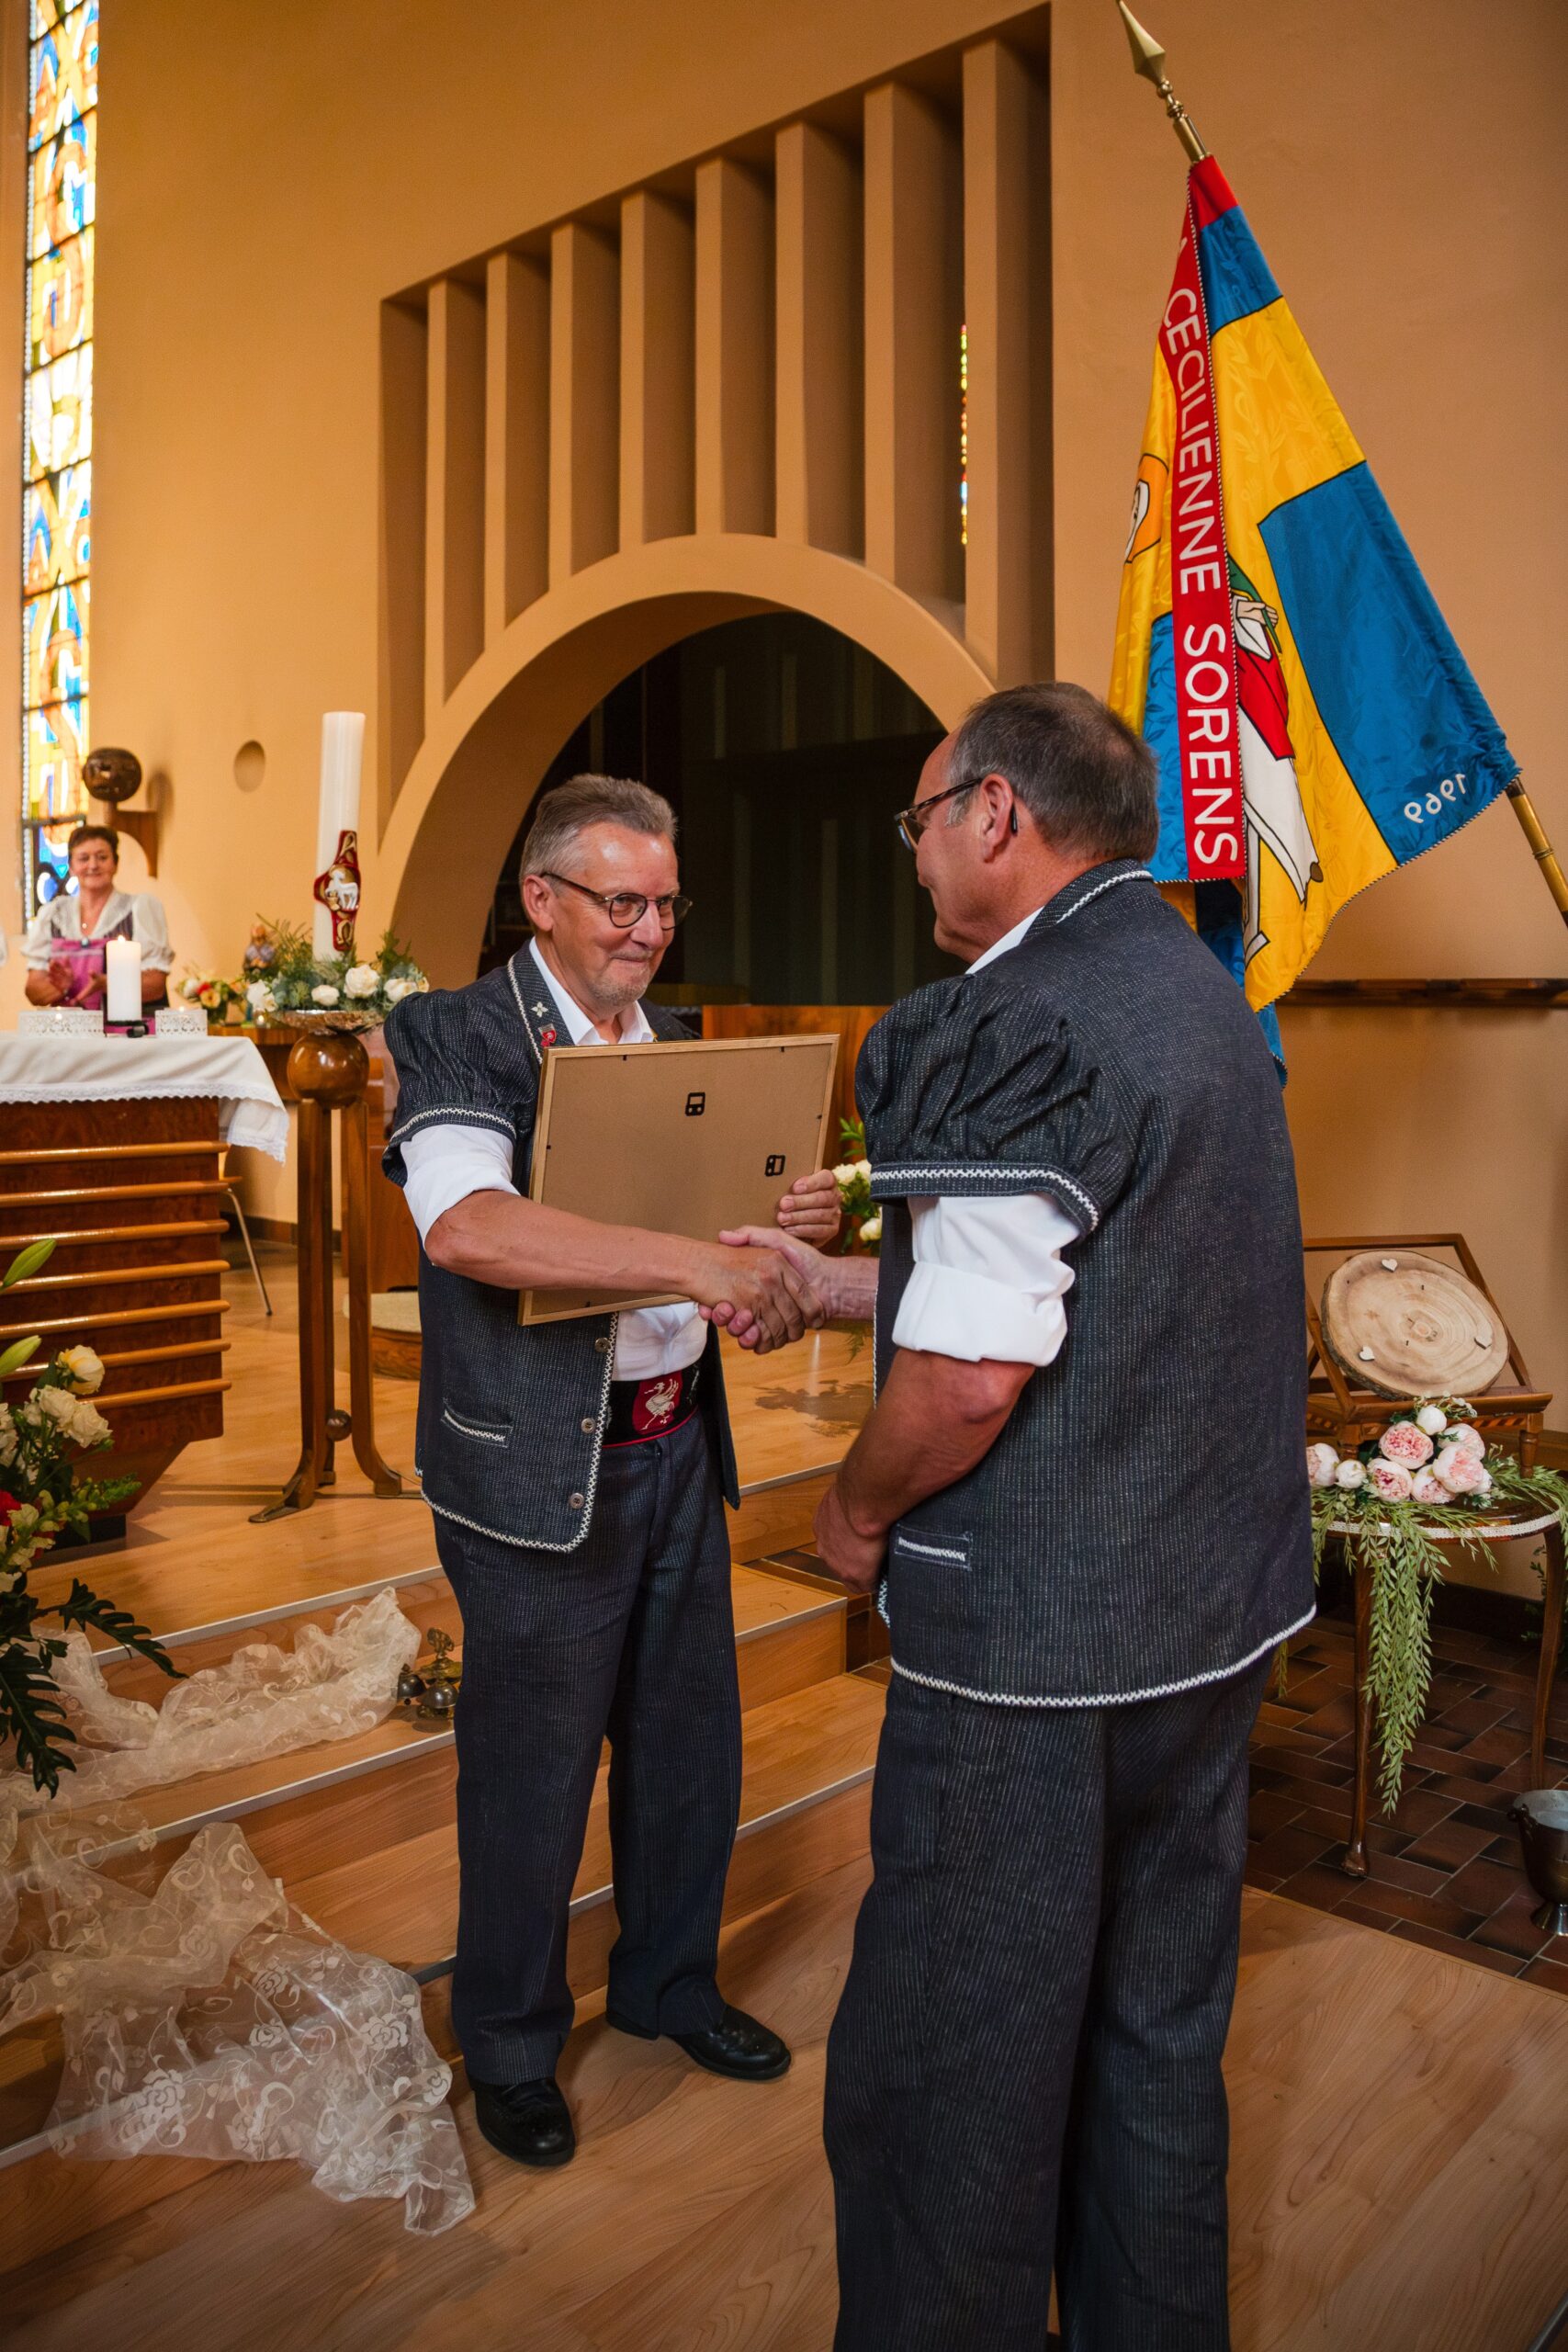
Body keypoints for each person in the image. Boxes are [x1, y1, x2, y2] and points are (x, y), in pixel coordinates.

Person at [716, 684, 1314, 2349]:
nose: (912, 854)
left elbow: (973, 1378)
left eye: (921, 819)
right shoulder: (1197, 989)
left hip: (1039, 1651)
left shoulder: (996, 1016)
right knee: (1150, 2043)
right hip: (1210, 1618)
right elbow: (1105, 1276)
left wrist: (850, 1512)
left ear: (993, 813)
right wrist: (842, 1287)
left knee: (947, 2087)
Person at [380, 773, 840, 2174]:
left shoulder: (679, 1044)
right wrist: (696, 1261)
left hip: (676, 1442)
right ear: (541, 897)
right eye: (621, 902)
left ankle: (666, 1985)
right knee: (529, 1775)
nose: (648, 929)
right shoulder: (459, 1033)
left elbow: (727, 1235)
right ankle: (510, 2044)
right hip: (534, 1469)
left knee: (689, 1748)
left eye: (664, 904)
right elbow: (468, 1226)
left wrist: (792, 1221)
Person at [23, 823, 174, 1009]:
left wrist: (108, 984)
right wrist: (63, 986)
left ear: (115, 864)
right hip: (71, 1026)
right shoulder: (53, 914)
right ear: (71, 866)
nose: (93, 865)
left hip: (130, 1025)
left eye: (102, 857)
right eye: (83, 858)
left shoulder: (140, 908)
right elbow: (33, 991)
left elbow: (156, 985)